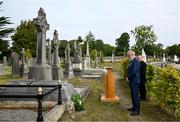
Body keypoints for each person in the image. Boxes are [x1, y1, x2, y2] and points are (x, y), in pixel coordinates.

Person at [127, 50, 140, 116]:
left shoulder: (136, 61)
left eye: (129, 55)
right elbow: (129, 70)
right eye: (128, 56)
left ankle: (136, 111)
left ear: (132, 54)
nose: (128, 57)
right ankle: (134, 107)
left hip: (135, 81)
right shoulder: (132, 61)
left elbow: (134, 71)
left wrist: (128, 77)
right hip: (132, 81)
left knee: (135, 96)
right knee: (132, 95)